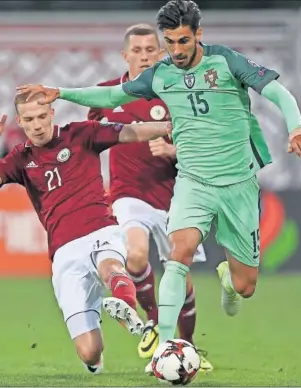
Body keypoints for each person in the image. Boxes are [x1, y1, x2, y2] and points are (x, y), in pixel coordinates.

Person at [15, 0, 301, 375]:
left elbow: (277, 92)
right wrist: (60, 91)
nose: (176, 50)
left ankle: (229, 282)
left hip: (237, 183)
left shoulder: (227, 61)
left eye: (183, 41)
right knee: (179, 253)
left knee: (246, 284)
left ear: (198, 35)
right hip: (192, 182)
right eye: (169, 42)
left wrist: (296, 126)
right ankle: (165, 348)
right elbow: (110, 97)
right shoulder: (161, 74)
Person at [0, 92, 171, 375]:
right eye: (29, 119)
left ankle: (124, 304)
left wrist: (168, 126)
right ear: (20, 122)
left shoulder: (81, 134)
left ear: (52, 114)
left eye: (42, 116)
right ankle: (96, 343)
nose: (37, 124)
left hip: (101, 228)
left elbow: (131, 132)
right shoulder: (21, 158)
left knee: (110, 265)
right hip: (65, 252)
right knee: (89, 352)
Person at [87, 23, 212, 372]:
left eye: (150, 50)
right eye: (137, 51)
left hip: (177, 200)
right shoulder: (107, 94)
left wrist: (173, 151)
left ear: (161, 54)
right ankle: (156, 322)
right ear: (125, 55)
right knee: (136, 254)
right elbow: (87, 141)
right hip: (129, 195)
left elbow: (204, 151)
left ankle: (187, 348)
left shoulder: (178, 94)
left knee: (181, 278)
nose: (143, 56)